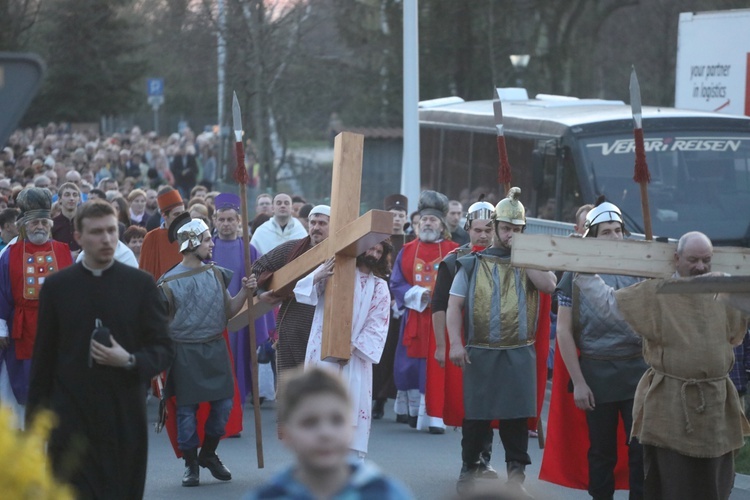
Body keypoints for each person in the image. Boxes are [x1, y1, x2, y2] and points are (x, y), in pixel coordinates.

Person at [26, 200, 174, 499]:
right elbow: (43, 360)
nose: (106, 239)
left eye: (110, 231)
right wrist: (33, 430)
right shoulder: (57, 288)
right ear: (78, 237)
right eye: (96, 232)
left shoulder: (140, 285)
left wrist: (130, 359)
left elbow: (163, 348)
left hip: (123, 418)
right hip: (70, 419)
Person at [604, 231, 750, 500]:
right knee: (671, 483)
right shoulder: (656, 293)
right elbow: (610, 304)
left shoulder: (726, 290)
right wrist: (584, 273)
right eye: (693, 259)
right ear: (676, 258)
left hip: (716, 406)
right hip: (669, 405)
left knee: (714, 484)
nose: (700, 266)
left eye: (706, 260)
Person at [446, 187, 556, 497]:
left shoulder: (530, 262)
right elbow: (454, 306)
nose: (510, 234)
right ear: (495, 227)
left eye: (516, 229)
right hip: (480, 350)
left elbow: (548, 286)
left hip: (519, 351)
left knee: (515, 419)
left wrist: (525, 253)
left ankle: (516, 478)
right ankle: (469, 469)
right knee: (476, 417)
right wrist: (455, 343)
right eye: (506, 228)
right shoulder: (471, 263)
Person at [553, 199, 647, 500]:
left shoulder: (641, 268)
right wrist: (579, 381)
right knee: (602, 451)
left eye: (618, 230)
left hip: (638, 371)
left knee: (642, 450)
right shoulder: (575, 275)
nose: (614, 237)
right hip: (597, 372)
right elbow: (564, 331)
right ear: (592, 236)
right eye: (606, 232)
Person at [157, 214, 257, 487]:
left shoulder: (214, 273)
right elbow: (160, 326)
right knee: (187, 410)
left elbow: (229, 312)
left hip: (215, 347)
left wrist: (246, 293)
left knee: (223, 405)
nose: (211, 243)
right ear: (191, 243)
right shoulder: (167, 283)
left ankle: (209, 454)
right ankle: (191, 464)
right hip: (185, 352)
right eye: (206, 239)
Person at [244, 368, 414, 500]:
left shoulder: (383, 493)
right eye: (309, 423)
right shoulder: (269, 496)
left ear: (352, 427)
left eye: (337, 421)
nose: (325, 433)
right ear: (286, 434)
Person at [295, 242, 392, 460]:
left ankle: (348, 462)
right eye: (371, 248)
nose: (373, 254)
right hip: (322, 348)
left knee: (352, 405)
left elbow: (378, 324)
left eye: (379, 251)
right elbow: (303, 293)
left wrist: (352, 346)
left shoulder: (380, 287)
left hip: (356, 356)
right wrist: (318, 275)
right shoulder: (336, 272)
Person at [430, 200, 495, 488]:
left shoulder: (505, 257)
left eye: (489, 230)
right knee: (472, 407)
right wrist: (443, 345)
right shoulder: (454, 260)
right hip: (466, 345)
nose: (483, 235)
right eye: (478, 229)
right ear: (467, 229)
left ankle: (484, 460)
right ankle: (469, 466)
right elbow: (439, 305)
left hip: (497, 344)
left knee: (491, 406)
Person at [0, 188, 74, 420]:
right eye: (34, 222)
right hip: (22, 329)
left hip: (56, 328)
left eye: (44, 221)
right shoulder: (9, 254)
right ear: (24, 224)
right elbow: (1, 292)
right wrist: (1, 327)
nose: (39, 226)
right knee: (24, 383)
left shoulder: (64, 252)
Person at [390, 191, 459, 432]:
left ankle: (435, 417)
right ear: (418, 224)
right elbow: (396, 283)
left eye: (433, 220)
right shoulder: (407, 250)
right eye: (424, 220)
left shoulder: (455, 251)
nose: (428, 223)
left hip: (443, 320)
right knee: (410, 366)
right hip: (415, 317)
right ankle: (412, 413)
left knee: (437, 367)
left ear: (442, 226)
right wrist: (419, 295)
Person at [252, 205, 330, 383]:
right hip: (292, 327)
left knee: (318, 390)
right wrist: (261, 292)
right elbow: (257, 268)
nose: (316, 227)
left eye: (322, 223)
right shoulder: (291, 248)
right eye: (313, 222)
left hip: (324, 330)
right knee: (289, 389)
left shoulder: (340, 254)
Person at [211, 193, 272, 406]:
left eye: (230, 219)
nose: (226, 224)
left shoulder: (249, 250)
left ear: (239, 222)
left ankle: (233, 409)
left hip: (241, 316)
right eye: (221, 219)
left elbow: (259, 284)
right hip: (213, 319)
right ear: (214, 220)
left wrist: (254, 288)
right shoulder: (207, 249)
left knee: (238, 361)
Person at [372, 194, 408, 419]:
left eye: (400, 215)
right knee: (382, 353)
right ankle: (378, 398)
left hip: (404, 306)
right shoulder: (378, 240)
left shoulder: (412, 242)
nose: (396, 218)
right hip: (380, 302)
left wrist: (401, 298)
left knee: (400, 353)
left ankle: (402, 403)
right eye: (392, 214)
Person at [139, 186, 186, 280]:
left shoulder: (191, 235)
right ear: (164, 215)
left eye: (183, 213)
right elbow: (144, 274)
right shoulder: (151, 238)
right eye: (176, 214)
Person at [51, 181, 82, 257]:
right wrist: (67, 254)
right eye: (67, 195)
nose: (71, 198)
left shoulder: (85, 223)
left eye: (75, 195)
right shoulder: (52, 224)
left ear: (79, 199)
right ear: (59, 199)